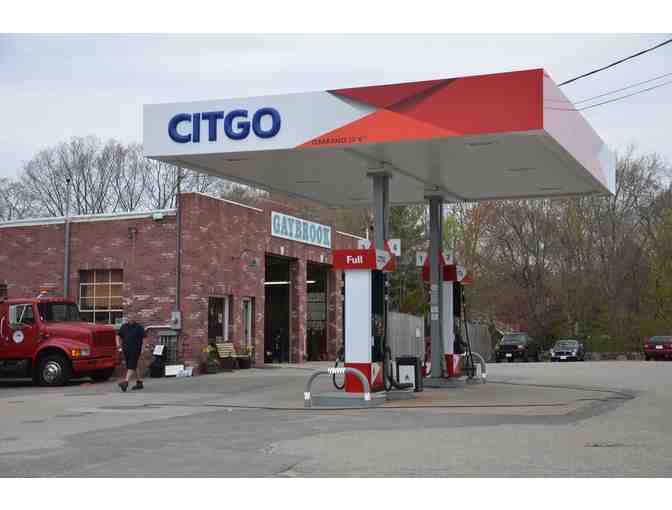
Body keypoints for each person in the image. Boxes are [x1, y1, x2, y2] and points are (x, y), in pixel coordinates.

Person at [117, 312, 147, 392]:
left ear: (134, 318)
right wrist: (118, 344)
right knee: (134, 365)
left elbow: (144, 338)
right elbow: (118, 335)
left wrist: (143, 348)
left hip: (135, 349)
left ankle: (125, 382)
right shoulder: (124, 326)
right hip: (126, 349)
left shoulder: (139, 327)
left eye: (132, 317)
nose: (130, 319)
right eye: (129, 317)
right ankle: (139, 382)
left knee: (131, 365)